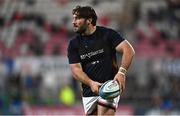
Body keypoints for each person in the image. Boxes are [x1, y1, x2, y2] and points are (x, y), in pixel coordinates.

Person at [67, 5, 135, 115]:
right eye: (73, 18)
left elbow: (128, 50)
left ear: (89, 20)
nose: (73, 22)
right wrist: (91, 83)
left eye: (77, 18)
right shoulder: (74, 44)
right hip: (89, 92)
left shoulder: (108, 34)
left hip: (109, 87)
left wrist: (122, 72)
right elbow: (75, 69)